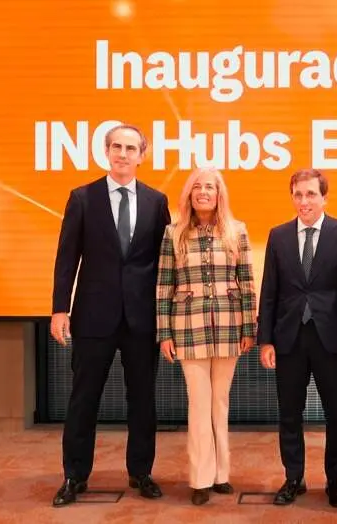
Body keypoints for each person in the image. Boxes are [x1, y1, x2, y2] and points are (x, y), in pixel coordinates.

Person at [50, 124, 170, 507]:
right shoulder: (82, 198)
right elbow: (67, 257)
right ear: (106, 151)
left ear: (141, 155)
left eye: (130, 148)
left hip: (142, 319)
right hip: (92, 317)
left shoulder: (156, 201)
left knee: (143, 401)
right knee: (83, 399)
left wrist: (167, 316)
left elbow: (165, 263)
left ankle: (141, 472)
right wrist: (59, 308)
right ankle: (74, 476)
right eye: (116, 146)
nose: (123, 153)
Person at [257, 168, 337, 508]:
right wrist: (265, 340)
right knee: (289, 412)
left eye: (311, 194)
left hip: (332, 341)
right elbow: (269, 291)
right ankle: (294, 477)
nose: (304, 201)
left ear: (324, 197)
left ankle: (335, 479)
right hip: (288, 339)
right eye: (298, 195)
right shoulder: (278, 236)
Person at [155, 165, 257, 506]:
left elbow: (247, 283)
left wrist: (249, 328)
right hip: (188, 327)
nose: (203, 192)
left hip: (229, 327)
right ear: (189, 194)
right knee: (199, 404)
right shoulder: (173, 233)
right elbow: (164, 286)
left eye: (210, 187)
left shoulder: (237, 230)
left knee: (220, 402)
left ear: (219, 194)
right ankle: (200, 478)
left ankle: (221, 475)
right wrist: (164, 333)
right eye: (197, 187)